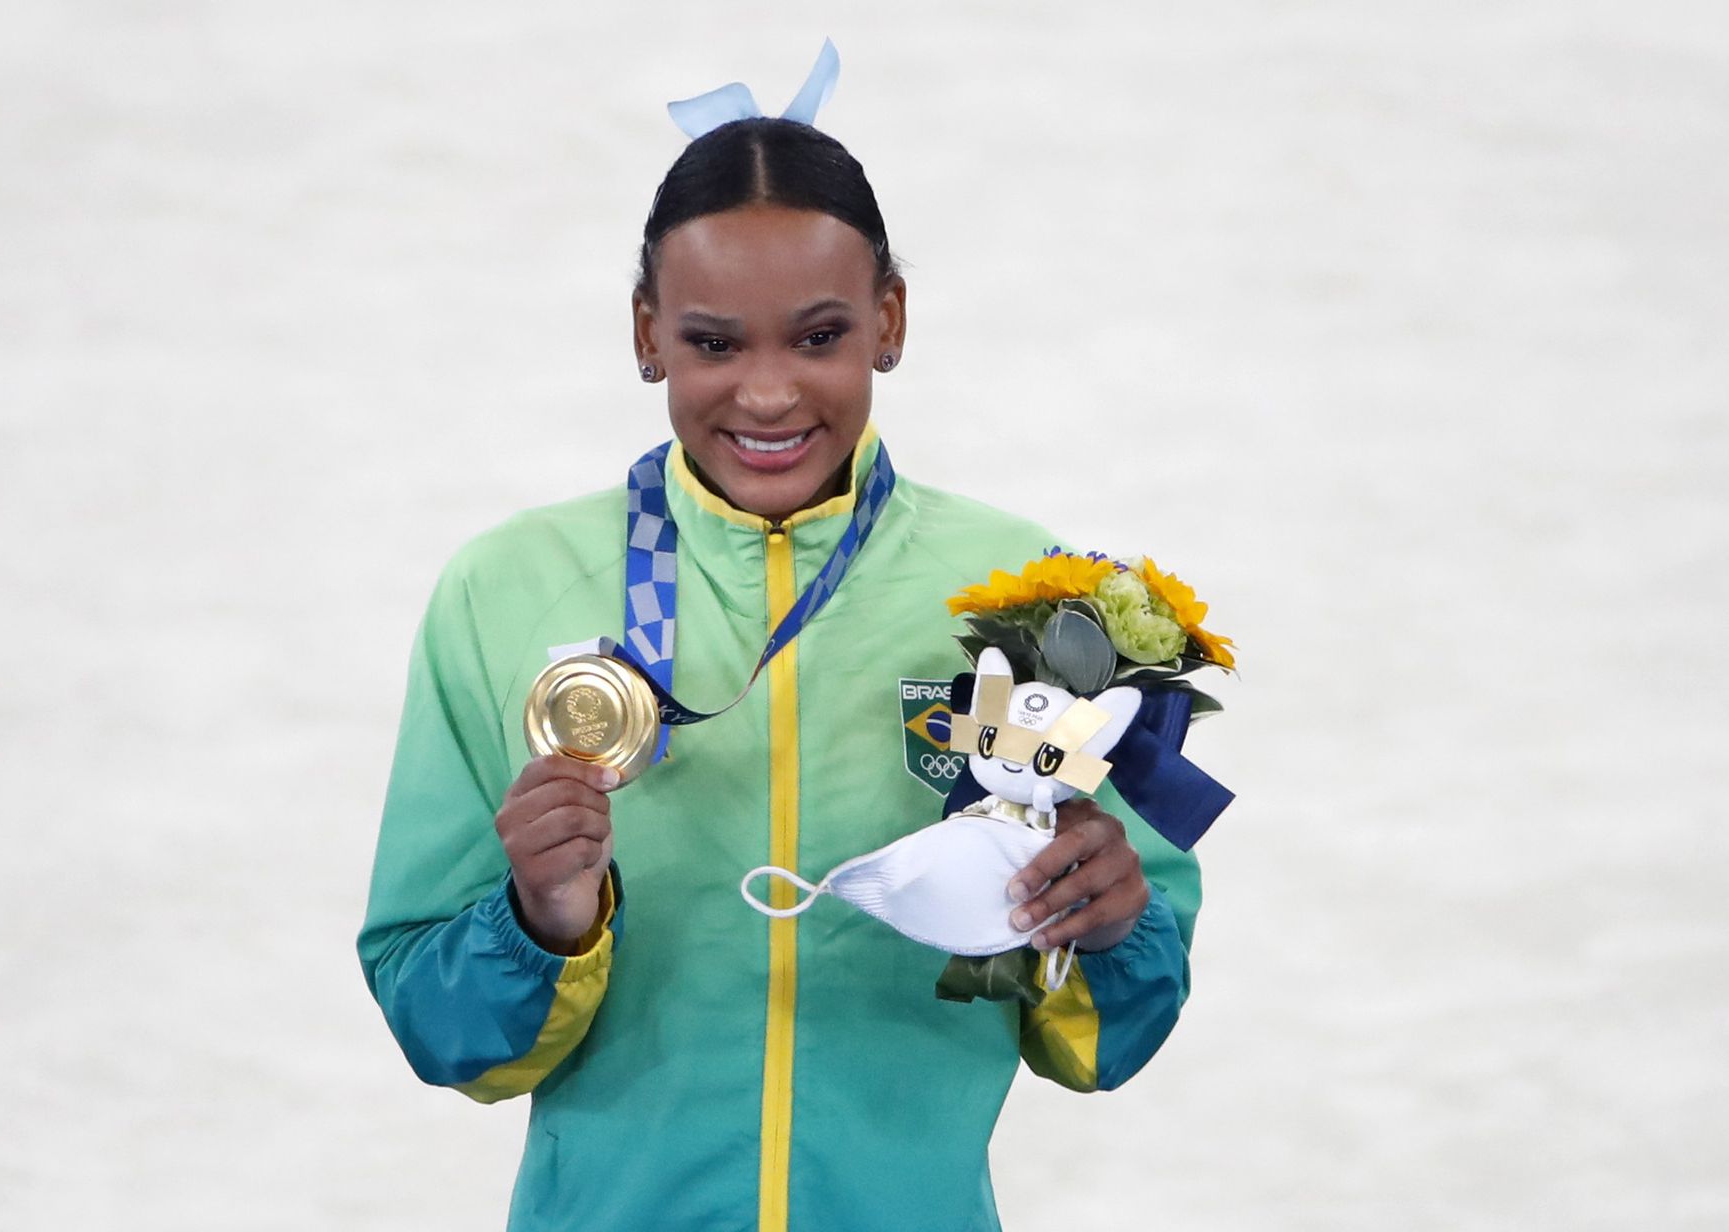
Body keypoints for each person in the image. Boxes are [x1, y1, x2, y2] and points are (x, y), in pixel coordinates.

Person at [357, 48, 1201, 1232]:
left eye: (816, 338)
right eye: (714, 343)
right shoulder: (501, 591)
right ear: (647, 333)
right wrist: (541, 918)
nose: (765, 394)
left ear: (887, 321)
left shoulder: (1033, 599)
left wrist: (1107, 924)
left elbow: (1111, 1037)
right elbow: (436, 1025)